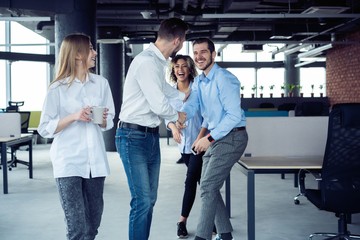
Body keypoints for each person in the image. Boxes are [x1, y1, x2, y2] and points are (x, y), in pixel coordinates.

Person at [115, 17, 189, 240]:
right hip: (132, 136)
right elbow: (158, 103)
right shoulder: (147, 62)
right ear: (177, 40)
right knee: (142, 200)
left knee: (150, 199)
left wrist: (186, 95)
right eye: (184, 40)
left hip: (148, 136)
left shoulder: (157, 63)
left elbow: (165, 90)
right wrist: (178, 116)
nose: (183, 44)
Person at [37, 33, 115, 240]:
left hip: (95, 163)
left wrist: (103, 119)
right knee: (77, 227)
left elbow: (109, 122)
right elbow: (44, 128)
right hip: (68, 162)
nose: (95, 52)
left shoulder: (101, 83)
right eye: (90, 48)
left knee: (93, 224)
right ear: (78, 54)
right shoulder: (57, 88)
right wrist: (74, 116)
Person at [181, 38, 248, 240]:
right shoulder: (201, 81)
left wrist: (207, 139)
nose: (199, 56)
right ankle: (225, 234)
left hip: (233, 137)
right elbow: (194, 107)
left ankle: (202, 237)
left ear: (213, 54)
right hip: (217, 138)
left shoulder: (224, 79)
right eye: (196, 52)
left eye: (203, 52)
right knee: (208, 186)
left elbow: (234, 116)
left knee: (208, 186)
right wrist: (179, 119)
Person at [165, 55, 207, 238]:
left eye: (184, 66)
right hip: (184, 146)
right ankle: (213, 219)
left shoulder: (199, 89)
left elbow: (207, 116)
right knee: (203, 183)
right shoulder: (170, 92)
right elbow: (167, 117)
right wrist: (173, 128)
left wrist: (200, 139)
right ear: (173, 71)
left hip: (201, 143)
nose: (180, 69)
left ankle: (182, 221)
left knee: (191, 181)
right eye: (176, 67)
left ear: (190, 69)